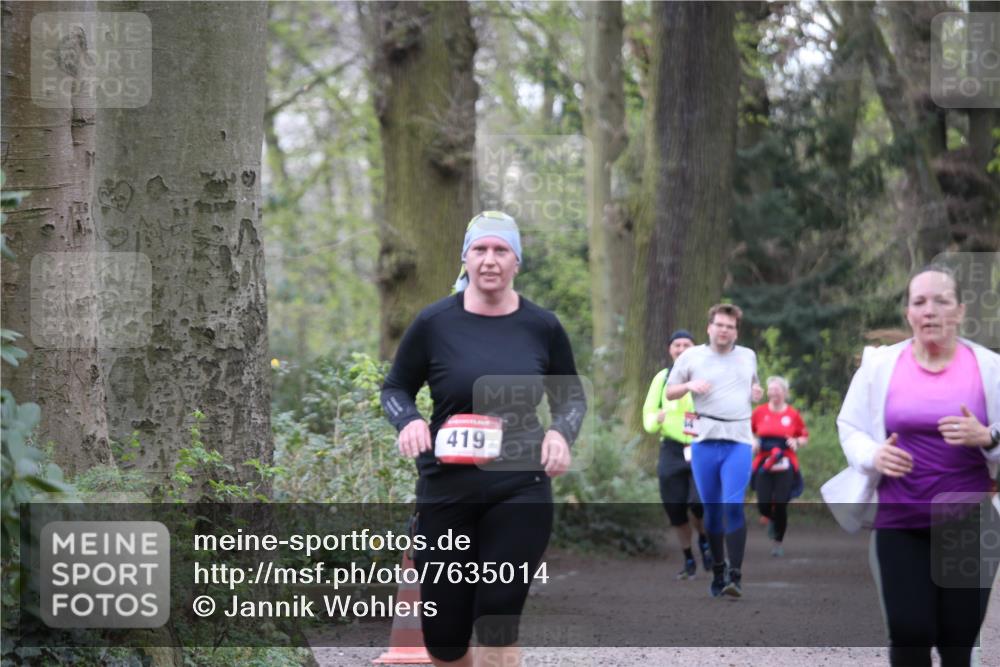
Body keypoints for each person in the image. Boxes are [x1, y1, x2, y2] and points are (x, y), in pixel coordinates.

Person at [380, 211, 586, 667]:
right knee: (444, 636)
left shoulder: (542, 326)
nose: (490, 260)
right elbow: (394, 388)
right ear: (465, 258)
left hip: (520, 486)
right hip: (445, 488)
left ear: (516, 261)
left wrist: (560, 432)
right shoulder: (434, 323)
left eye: (501, 250)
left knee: (497, 612)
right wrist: (409, 421)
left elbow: (571, 399)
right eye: (480, 249)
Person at [835, 265, 1000, 667]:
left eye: (941, 301)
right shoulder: (879, 366)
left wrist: (988, 437)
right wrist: (873, 454)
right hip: (900, 521)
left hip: (968, 524)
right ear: (908, 313)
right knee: (909, 630)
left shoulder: (990, 368)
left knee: (957, 640)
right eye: (919, 302)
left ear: (960, 311)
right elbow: (851, 426)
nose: (930, 311)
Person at [665, 304, 762, 598]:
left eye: (730, 327)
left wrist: (756, 393)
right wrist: (690, 385)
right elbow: (669, 391)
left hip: (738, 440)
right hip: (705, 440)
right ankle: (718, 569)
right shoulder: (691, 357)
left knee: (733, 504)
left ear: (736, 331)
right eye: (719, 325)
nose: (724, 331)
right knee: (712, 509)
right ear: (709, 327)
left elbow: (753, 386)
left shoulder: (747, 356)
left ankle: (736, 575)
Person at [642, 329, 712, 579]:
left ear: (695, 348)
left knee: (698, 502)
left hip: (700, 446)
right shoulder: (662, 378)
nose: (681, 349)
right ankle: (688, 558)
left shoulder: (706, 376)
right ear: (670, 350)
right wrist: (656, 421)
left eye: (686, 344)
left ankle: (705, 541)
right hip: (671, 448)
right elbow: (648, 414)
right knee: (674, 507)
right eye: (676, 345)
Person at [751, 376, 808, 557]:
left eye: (778, 390)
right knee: (763, 504)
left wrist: (797, 441)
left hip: (785, 461)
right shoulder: (759, 412)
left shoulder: (792, 414)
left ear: (785, 393)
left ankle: (777, 542)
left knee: (781, 503)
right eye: (771, 390)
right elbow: (748, 431)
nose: (774, 393)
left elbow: (804, 436)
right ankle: (772, 519)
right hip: (764, 461)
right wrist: (753, 441)